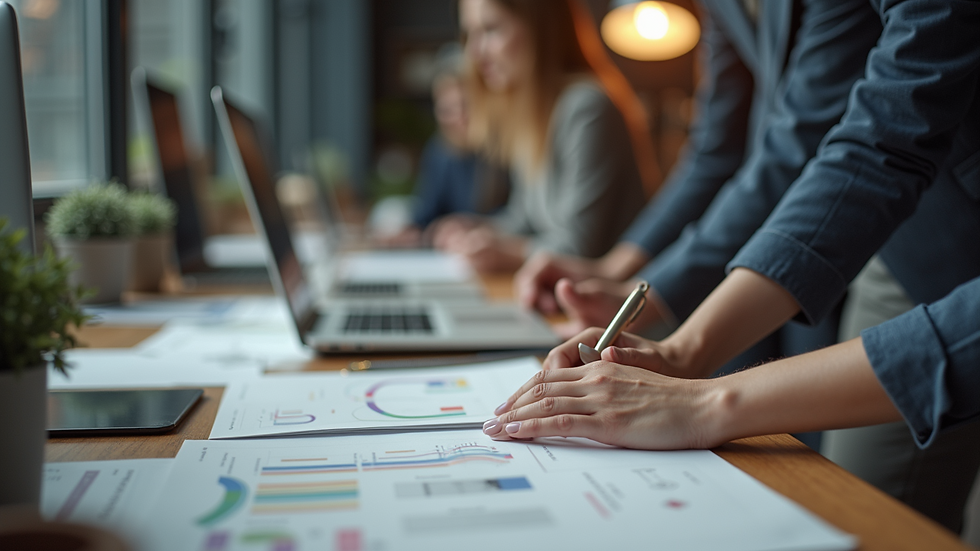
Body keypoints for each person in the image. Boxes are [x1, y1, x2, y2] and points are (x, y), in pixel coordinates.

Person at [488, 0, 980, 533]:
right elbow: (867, 151)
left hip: (943, 219)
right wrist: (682, 350)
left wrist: (707, 402)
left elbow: (833, 141)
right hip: (906, 240)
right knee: (857, 503)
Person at [430, 0, 657, 273]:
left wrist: (505, 250)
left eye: (490, 30)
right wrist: (476, 229)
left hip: (608, 307)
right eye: (470, 35)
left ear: (541, 28)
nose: (474, 54)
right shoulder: (535, 113)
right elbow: (524, 218)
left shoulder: (587, 108)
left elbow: (579, 248)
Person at [385, 45, 511, 248]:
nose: (459, 117)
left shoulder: (506, 151)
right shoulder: (440, 151)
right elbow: (425, 216)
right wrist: (409, 232)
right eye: (447, 108)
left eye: (466, 105)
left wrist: (472, 227)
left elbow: (519, 219)